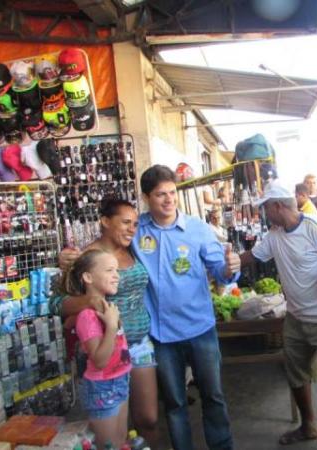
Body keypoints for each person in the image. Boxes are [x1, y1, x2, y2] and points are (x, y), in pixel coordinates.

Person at [239, 180, 317, 450]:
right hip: (296, 318)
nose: (264, 214)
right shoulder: (275, 234)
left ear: (278, 206)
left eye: (266, 208)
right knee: (296, 375)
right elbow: (253, 256)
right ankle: (309, 425)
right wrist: (228, 263)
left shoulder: (314, 228)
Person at [133, 164, 240, 450]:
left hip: (199, 328)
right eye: (160, 195)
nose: (168, 200)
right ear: (146, 198)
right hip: (162, 334)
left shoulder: (197, 228)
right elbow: (108, 245)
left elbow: (220, 271)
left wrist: (230, 269)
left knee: (213, 396)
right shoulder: (136, 230)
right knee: (175, 402)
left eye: (172, 193)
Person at [54, 199, 159, 445]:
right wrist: (92, 302)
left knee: (149, 418)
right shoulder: (87, 257)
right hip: (106, 347)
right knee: (113, 429)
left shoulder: (133, 249)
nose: (132, 229)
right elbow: (58, 304)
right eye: (125, 222)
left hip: (141, 343)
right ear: (104, 221)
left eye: (134, 224)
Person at [65, 249, 131, 448]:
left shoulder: (107, 307)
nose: (116, 275)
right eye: (110, 270)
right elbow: (100, 360)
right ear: (88, 277)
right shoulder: (87, 315)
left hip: (120, 380)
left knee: (121, 441)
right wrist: (111, 326)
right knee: (109, 445)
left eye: (117, 270)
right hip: (103, 387)